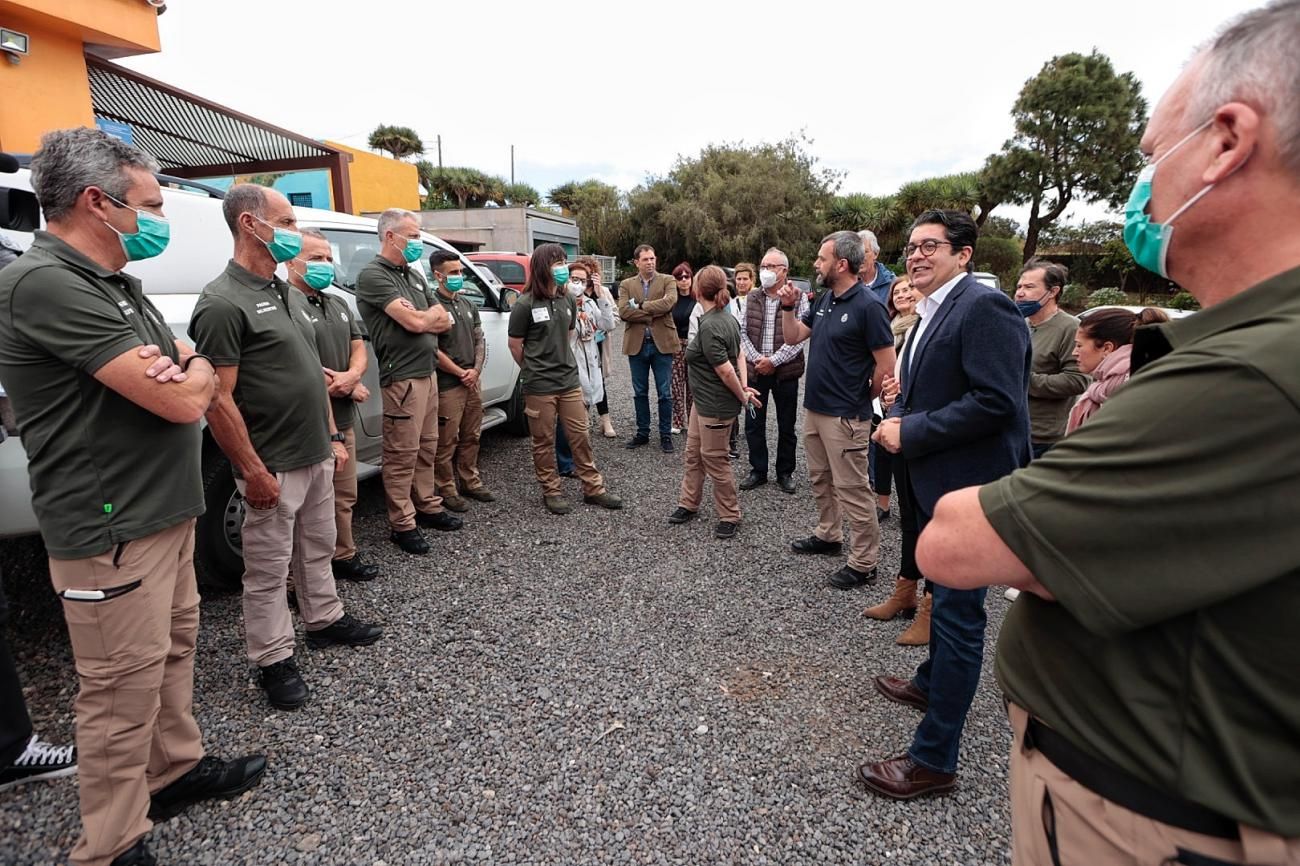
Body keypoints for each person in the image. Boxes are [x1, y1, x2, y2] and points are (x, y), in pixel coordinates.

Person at [915, 5, 1300, 861]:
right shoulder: (1244, 344)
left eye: (1152, 156)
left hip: (1155, 823)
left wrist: (1037, 540)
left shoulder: (1250, 372)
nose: (1142, 190)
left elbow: (958, 542)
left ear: (1227, 142)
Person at [0, 128, 264, 866]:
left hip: (162, 510)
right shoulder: (47, 283)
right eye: (147, 204)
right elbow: (184, 399)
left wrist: (189, 371)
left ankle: (172, 770)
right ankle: (110, 842)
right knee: (117, 692)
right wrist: (195, 373)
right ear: (97, 201)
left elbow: (183, 374)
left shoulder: (116, 283)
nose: (156, 219)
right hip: (110, 527)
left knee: (171, 651)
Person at [859, 208, 1031, 800]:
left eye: (931, 246)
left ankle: (934, 760)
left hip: (971, 487)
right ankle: (932, 684)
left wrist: (913, 430)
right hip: (936, 478)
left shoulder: (985, 307)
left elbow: (998, 402)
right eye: (911, 247)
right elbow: (930, 390)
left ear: (964, 254)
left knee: (958, 618)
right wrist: (902, 411)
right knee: (940, 594)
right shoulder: (931, 310)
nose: (916, 255)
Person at [191, 183, 383, 712]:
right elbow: (219, 400)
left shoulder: (288, 294)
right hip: (272, 462)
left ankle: (324, 619)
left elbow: (312, 379)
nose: (295, 234)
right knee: (268, 569)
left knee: (317, 545)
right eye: (288, 223)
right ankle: (273, 658)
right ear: (252, 226)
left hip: (316, 451)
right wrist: (251, 470)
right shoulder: (222, 303)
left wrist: (335, 436)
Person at [777, 231, 896, 589]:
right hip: (815, 408)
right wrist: (786, 308)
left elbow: (887, 366)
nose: (816, 263)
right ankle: (829, 534)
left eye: (821, 257)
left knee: (853, 488)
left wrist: (863, 396)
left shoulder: (869, 306)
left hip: (845, 415)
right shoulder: (827, 299)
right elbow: (795, 336)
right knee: (821, 478)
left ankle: (865, 562)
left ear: (841, 264)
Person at [355, 209, 461, 555]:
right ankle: (402, 523)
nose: (417, 242)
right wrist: (423, 318)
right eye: (412, 236)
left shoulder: (413, 276)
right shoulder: (374, 275)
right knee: (402, 453)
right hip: (402, 377)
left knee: (428, 445)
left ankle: (428, 505)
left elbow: (442, 318)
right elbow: (414, 323)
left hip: (427, 372)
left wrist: (424, 317)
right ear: (390, 236)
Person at [285, 230, 380, 583]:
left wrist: (351, 377)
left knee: (344, 495)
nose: (325, 265)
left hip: (342, 420)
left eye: (328, 258)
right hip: (309, 425)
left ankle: (343, 554)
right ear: (291, 261)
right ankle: (302, 578)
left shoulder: (336, 303)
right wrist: (341, 386)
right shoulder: (286, 303)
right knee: (305, 508)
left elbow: (358, 345)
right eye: (316, 258)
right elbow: (297, 362)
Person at [508, 243, 623, 515]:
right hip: (540, 385)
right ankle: (552, 490)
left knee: (580, 435)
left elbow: (570, 334)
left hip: (569, 381)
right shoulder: (525, 304)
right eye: (556, 263)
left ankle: (593, 488)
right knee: (543, 440)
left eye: (563, 262)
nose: (562, 269)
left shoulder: (568, 299)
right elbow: (515, 345)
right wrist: (532, 369)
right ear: (541, 267)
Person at [863, 277, 934, 647]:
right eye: (901, 291)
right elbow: (904, 381)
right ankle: (905, 591)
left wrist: (906, 417)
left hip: (931, 437)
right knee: (910, 521)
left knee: (934, 526)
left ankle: (930, 608)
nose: (906, 294)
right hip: (904, 427)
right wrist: (894, 410)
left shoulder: (947, 321)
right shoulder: (913, 326)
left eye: (912, 289)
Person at [668, 266, 759, 539]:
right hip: (703, 403)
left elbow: (725, 369)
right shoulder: (724, 317)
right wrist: (743, 387)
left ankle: (730, 514)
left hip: (716, 407)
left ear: (698, 290)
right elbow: (738, 355)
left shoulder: (712, 325)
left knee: (715, 460)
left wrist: (743, 395)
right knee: (693, 454)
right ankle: (688, 503)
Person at [428, 249, 496, 512]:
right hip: (448, 386)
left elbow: (480, 339)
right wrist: (459, 373)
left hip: (472, 381)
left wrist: (475, 371)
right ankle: (446, 489)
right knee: (446, 441)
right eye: (453, 273)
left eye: (460, 272)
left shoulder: (467, 304)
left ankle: (470, 481)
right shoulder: (432, 307)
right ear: (438, 275)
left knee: (472, 435)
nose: (459, 276)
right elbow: (432, 350)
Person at [739, 247, 809, 494]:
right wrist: (759, 359)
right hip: (756, 371)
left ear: (784, 271)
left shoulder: (797, 298)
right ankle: (758, 470)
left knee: (786, 424)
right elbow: (742, 332)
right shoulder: (752, 297)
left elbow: (800, 337)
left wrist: (774, 362)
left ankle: (785, 471)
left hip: (785, 372)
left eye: (770, 266)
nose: (765, 271)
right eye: (763, 266)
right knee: (753, 422)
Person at [1014, 259, 1089, 458]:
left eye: (1029, 287)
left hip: (1043, 438)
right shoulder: (1017, 323)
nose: (1020, 293)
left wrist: (1022, 381)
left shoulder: (1070, 328)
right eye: (1019, 286)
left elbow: (1078, 380)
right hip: (1011, 429)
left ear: (1053, 291)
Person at [554, 260, 616, 477]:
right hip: (570, 365)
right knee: (568, 417)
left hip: (590, 362)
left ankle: (579, 458)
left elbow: (608, 325)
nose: (578, 284)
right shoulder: (560, 303)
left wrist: (601, 296)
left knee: (583, 414)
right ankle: (566, 461)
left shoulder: (590, 303)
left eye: (583, 280)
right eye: (574, 279)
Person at [618, 244, 680, 453]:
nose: (650, 262)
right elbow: (624, 312)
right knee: (640, 392)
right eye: (645, 259)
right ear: (636, 262)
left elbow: (669, 303)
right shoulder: (626, 284)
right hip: (637, 345)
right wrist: (653, 312)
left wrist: (642, 306)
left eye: (652, 258)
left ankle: (665, 435)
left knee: (665, 393)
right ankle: (642, 433)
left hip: (662, 344)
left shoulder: (668, 280)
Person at [1066, 307, 1169, 433]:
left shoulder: (1127, 387)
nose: (1074, 352)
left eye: (1079, 345)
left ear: (1106, 348)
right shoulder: (1108, 386)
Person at [869, 277, 918, 520]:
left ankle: (909, 508)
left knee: (904, 456)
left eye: (907, 289)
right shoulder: (890, 325)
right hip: (883, 397)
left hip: (907, 400)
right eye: (896, 292)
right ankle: (883, 505)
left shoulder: (920, 325)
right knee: (881, 452)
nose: (901, 295)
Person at [576, 255, 617, 438]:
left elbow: (613, 318)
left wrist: (600, 293)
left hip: (599, 344)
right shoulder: (574, 294)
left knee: (598, 381)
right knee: (581, 381)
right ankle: (583, 417)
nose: (586, 280)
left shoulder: (603, 292)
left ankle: (605, 420)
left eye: (589, 275)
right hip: (580, 344)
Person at [669, 262, 695, 434]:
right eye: (680, 278)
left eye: (687, 277)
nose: (684, 280)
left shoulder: (698, 299)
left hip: (694, 344)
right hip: (675, 344)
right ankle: (678, 421)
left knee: (693, 384)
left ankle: (693, 420)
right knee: (676, 384)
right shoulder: (672, 300)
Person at [859, 229, 897, 305]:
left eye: (865, 252)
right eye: (857, 252)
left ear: (875, 254)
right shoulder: (846, 285)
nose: (860, 257)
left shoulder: (892, 284)